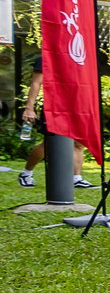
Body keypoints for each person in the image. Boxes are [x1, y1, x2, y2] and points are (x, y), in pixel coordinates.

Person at [14, 53, 96, 192]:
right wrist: (29, 108)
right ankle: (26, 173)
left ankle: (76, 178)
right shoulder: (46, 57)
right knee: (49, 144)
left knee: (78, 142)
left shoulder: (79, 56)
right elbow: (36, 82)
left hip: (78, 106)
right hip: (56, 107)